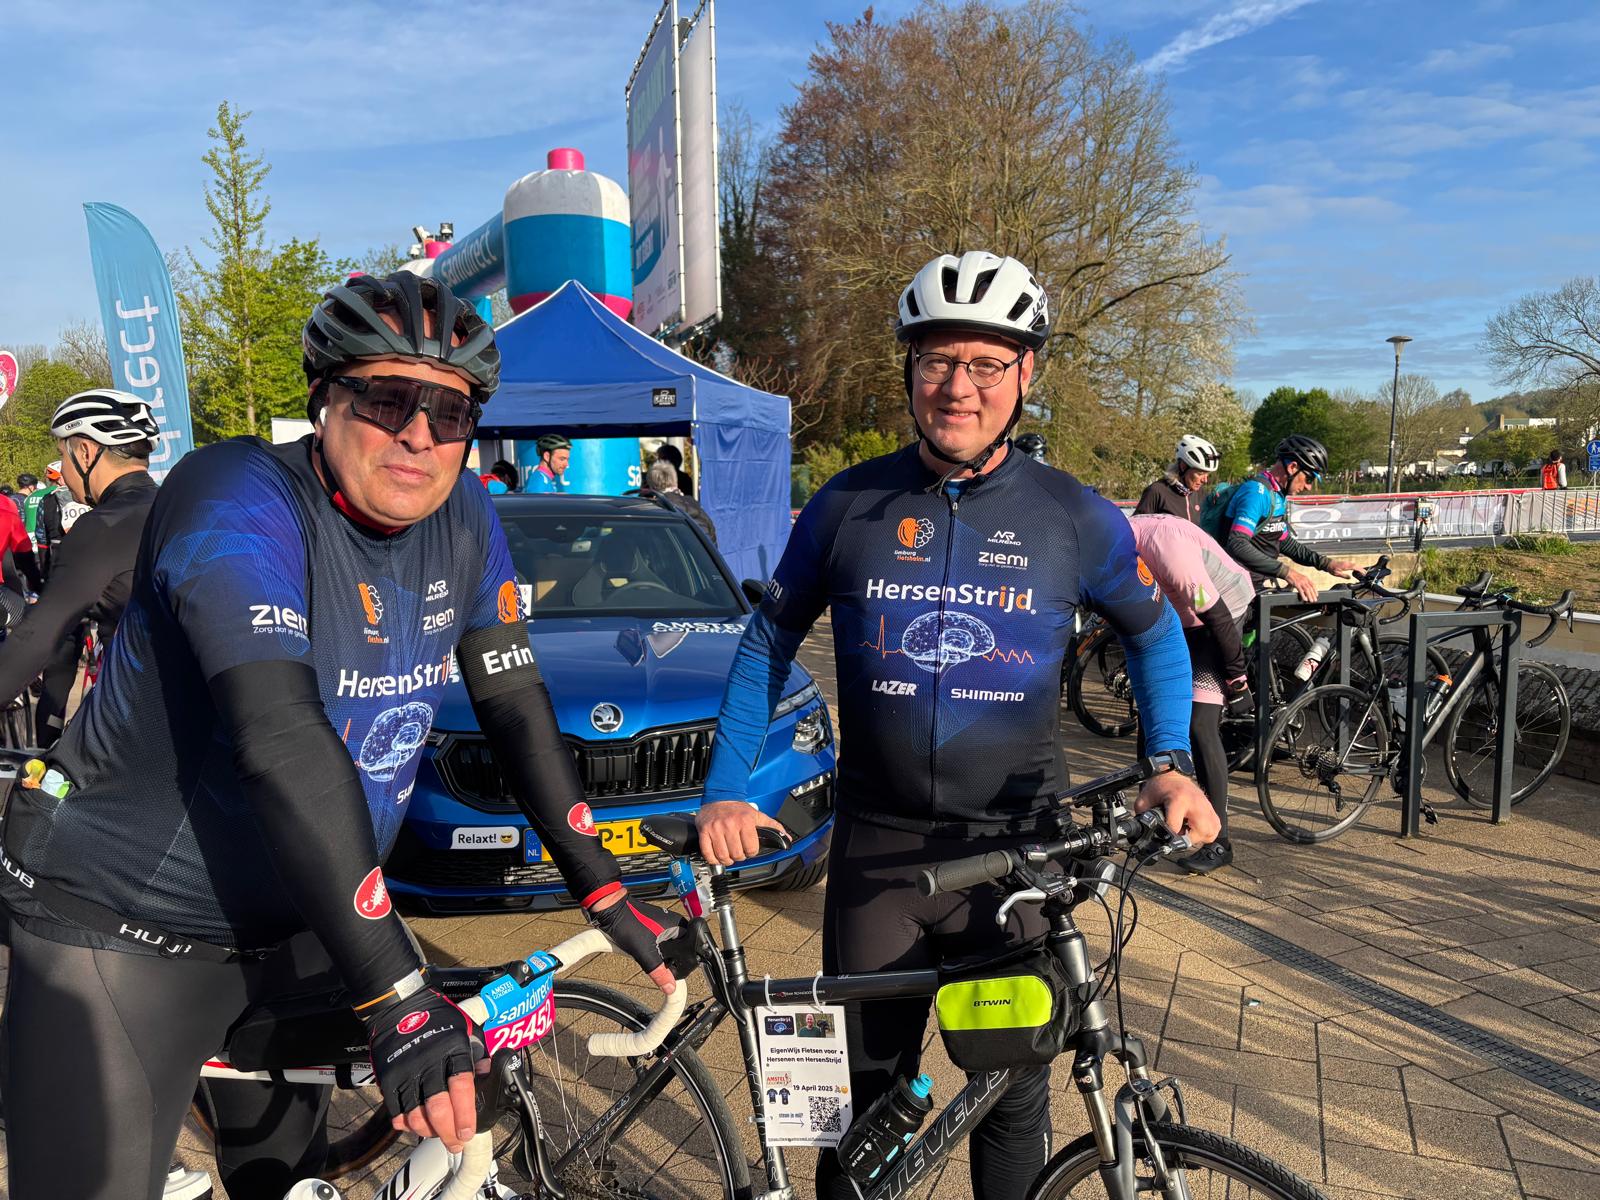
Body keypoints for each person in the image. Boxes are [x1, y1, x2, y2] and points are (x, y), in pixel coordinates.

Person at [0, 272, 691, 1200]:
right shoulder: (236, 495)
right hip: (121, 921)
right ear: (324, 399)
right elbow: (280, 734)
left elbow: (516, 706)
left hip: (302, 913)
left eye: (450, 413)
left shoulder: (466, 514)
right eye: (386, 399)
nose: (419, 434)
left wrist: (603, 886)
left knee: (289, 1184)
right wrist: (401, 995)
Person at [693, 250, 1213, 1200]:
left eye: (985, 364)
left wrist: (1169, 761)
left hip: (1017, 861)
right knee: (865, 1108)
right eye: (937, 360)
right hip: (879, 859)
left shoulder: (1073, 515)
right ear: (909, 368)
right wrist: (726, 786)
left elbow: (1155, 635)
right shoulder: (847, 505)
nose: (958, 387)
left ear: (1025, 372)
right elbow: (768, 638)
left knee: (1011, 1101)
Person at [0, 391, 161, 749]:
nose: (64, 470)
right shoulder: (174, 505)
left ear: (86, 452)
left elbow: (35, 639)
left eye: (63, 454)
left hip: (141, 726)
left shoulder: (101, 527)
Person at [1128, 513, 1255, 874]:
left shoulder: (1166, 546)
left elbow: (1217, 617)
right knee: (1151, 717)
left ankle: (1219, 840)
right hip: (1178, 617)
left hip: (1221, 614)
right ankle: (1158, 822)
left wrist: (1237, 680)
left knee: (1200, 724)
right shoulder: (1119, 544)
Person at [1223, 434, 1359, 602]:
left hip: (1255, 585)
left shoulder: (1278, 495)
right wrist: (1287, 573)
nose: (1308, 486)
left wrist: (1326, 564)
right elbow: (1237, 543)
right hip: (1233, 588)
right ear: (1293, 467)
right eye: (1309, 478)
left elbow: (1283, 542)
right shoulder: (1256, 493)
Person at [1135, 434, 1218, 523]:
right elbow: (1137, 526)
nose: (1205, 480)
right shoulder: (1157, 491)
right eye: (1200, 474)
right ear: (1183, 466)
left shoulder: (1201, 494)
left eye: (1207, 474)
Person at [646, 457, 716, 543]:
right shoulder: (696, 505)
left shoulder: (656, 511)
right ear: (675, 481)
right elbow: (712, 542)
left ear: (652, 487)